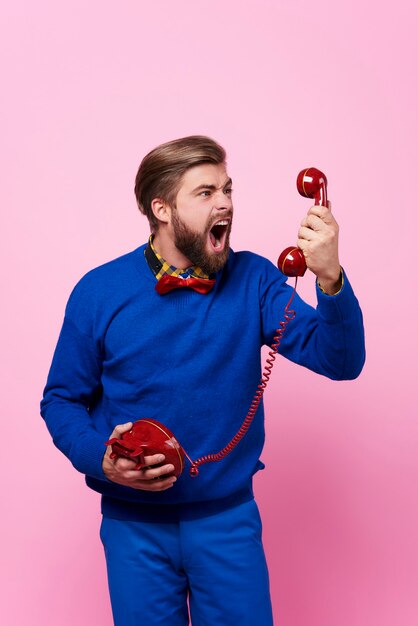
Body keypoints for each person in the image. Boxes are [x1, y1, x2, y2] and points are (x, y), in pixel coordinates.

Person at [41, 135, 365, 626]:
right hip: (134, 529)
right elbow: (61, 400)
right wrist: (100, 460)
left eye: (228, 189)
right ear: (162, 208)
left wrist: (330, 278)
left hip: (228, 524)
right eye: (207, 192)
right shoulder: (97, 292)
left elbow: (341, 361)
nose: (226, 204)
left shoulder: (256, 280)